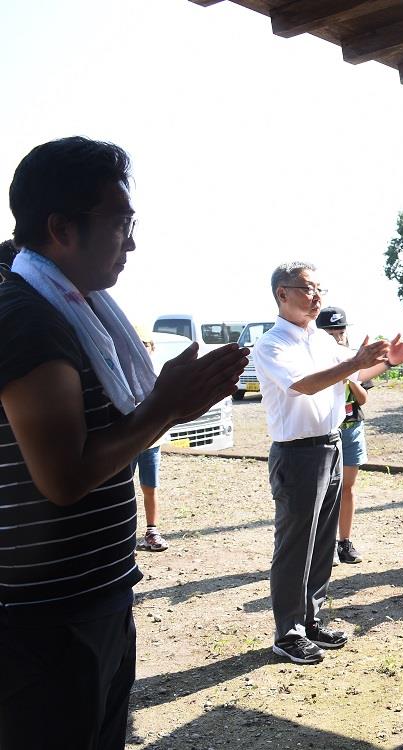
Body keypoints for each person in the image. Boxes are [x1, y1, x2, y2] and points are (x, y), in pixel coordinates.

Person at [0, 136, 247, 748]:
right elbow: (63, 478)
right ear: (61, 228)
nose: (132, 243)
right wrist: (166, 406)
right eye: (120, 224)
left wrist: (169, 405)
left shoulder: (67, 304)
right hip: (45, 620)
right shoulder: (28, 316)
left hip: (95, 597)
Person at [253, 262, 403, 665]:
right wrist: (354, 363)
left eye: (319, 290)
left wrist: (390, 361)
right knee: (295, 544)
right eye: (308, 289)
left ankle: (310, 620)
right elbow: (306, 383)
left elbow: (357, 368)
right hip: (296, 453)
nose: (316, 297)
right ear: (282, 293)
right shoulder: (273, 344)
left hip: (331, 444)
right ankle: (287, 632)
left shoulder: (320, 339)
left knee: (323, 541)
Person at [314, 306, 369, 565]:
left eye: (340, 331)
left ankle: (344, 542)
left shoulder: (354, 360)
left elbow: (363, 398)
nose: (337, 336)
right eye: (330, 332)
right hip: (324, 432)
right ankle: (322, 546)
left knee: (347, 488)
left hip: (352, 429)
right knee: (323, 491)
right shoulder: (314, 361)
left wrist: (349, 377)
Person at [133, 327, 168, 552]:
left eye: (146, 343)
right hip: (129, 439)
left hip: (152, 440)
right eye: (139, 343)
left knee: (150, 487)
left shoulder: (159, 371)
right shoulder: (123, 368)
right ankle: (125, 534)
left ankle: (152, 530)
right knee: (125, 487)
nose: (144, 348)